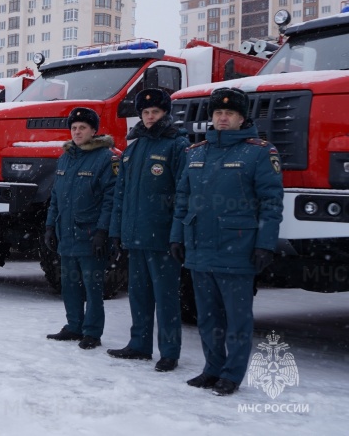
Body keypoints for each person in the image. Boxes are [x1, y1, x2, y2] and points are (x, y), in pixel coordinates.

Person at [170, 87, 283, 396]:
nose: (222, 117)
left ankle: (232, 374)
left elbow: (271, 203)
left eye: (229, 113)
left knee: (237, 317)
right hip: (199, 246)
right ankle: (212, 368)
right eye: (218, 113)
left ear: (241, 117)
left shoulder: (260, 152)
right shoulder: (195, 152)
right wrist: (177, 236)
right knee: (206, 315)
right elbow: (183, 200)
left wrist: (265, 244)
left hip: (238, 248)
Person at [107, 89, 189, 371]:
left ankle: (169, 352)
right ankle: (139, 344)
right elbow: (121, 193)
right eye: (145, 112)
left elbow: (183, 193)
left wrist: (177, 234)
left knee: (166, 297)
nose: (150, 117)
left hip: (162, 237)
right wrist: (116, 231)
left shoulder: (177, 145)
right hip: (135, 236)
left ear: (165, 113)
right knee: (138, 294)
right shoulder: (133, 148)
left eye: (155, 112)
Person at [45, 108, 119, 349]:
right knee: (69, 284)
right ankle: (74, 326)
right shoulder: (65, 157)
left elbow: (111, 198)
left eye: (83, 128)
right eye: (74, 128)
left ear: (94, 131)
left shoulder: (105, 158)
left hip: (90, 235)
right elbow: (55, 195)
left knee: (92, 287)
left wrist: (102, 231)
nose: (77, 132)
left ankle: (92, 332)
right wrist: (49, 226)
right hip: (66, 233)